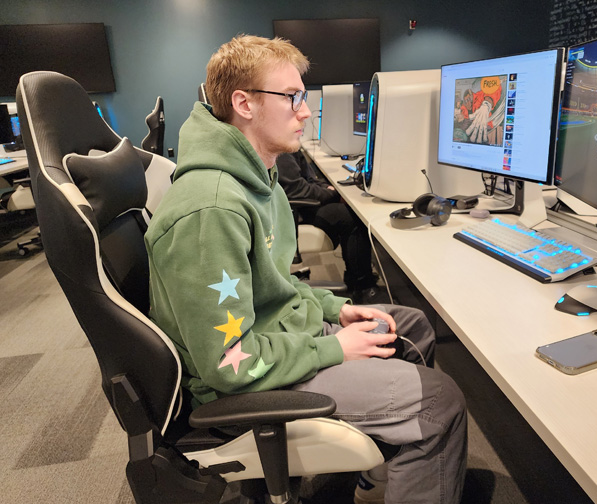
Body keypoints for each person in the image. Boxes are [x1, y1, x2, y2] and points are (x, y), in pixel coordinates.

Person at [144, 34, 467, 504]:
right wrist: (333, 348)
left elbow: (274, 286)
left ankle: (381, 468)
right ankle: (407, 446)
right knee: (443, 403)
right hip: (241, 385)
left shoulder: (260, 177)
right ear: (244, 104)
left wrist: (335, 309)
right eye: (292, 97)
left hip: (276, 338)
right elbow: (227, 363)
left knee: (410, 324)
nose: (306, 111)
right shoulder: (212, 210)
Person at [276, 150, 384, 303]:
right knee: (351, 217)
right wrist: (333, 195)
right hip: (295, 213)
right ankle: (363, 285)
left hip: (301, 207)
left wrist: (327, 188)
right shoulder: (282, 154)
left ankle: (357, 279)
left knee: (347, 211)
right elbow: (296, 190)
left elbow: (309, 179)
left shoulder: (289, 149)